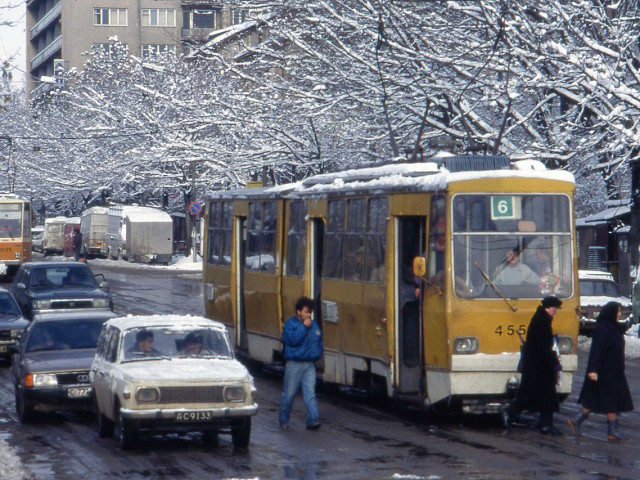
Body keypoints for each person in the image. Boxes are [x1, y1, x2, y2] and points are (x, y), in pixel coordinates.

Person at [567, 301, 634, 441]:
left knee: (596, 400)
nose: (620, 314)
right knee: (610, 401)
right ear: (611, 312)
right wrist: (593, 370)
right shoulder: (603, 329)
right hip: (605, 372)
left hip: (614, 371)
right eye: (618, 311)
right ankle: (612, 431)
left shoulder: (612, 327)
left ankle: (577, 420)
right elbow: (597, 351)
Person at [502, 296, 563, 435]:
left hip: (538, 365)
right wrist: (555, 363)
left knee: (543, 395)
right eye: (556, 308)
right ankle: (510, 413)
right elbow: (544, 347)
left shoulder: (541, 318)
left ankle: (545, 424)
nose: (556, 311)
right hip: (538, 366)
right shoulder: (542, 321)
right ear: (549, 307)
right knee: (531, 395)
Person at [278, 296, 323, 431]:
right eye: (306, 312)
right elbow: (293, 340)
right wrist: (304, 327)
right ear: (298, 312)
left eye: (310, 312)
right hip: (294, 364)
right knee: (289, 394)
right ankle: (283, 420)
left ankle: (313, 420)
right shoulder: (290, 324)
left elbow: (318, 341)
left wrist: (317, 354)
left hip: (309, 364)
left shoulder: (314, 325)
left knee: (310, 394)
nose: (308, 315)